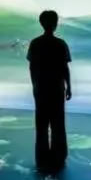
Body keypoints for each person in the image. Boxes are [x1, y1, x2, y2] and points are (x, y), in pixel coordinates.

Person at [26, 10, 72, 171]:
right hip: (57, 88)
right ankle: (59, 157)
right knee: (58, 124)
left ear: (41, 24)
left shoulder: (35, 43)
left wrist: (34, 86)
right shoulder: (60, 44)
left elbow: (32, 68)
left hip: (41, 88)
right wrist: (69, 86)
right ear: (55, 24)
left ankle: (42, 158)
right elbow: (65, 68)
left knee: (41, 125)